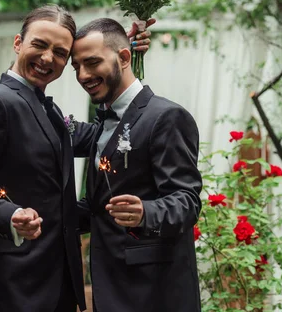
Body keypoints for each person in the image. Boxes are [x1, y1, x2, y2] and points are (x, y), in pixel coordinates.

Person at [0, 5, 152, 312]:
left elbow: (103, 136)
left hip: (58, 289)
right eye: (39, 45)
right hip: (13, 289)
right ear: (18, 43)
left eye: (59, 52)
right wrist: (9, 217)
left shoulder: (49, 111)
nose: (46, 58)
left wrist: (121, 60)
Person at [71, 18, 203, 312]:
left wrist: (146, 212)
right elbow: (98, 206)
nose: (83, 74)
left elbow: (187, 202)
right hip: (111, 287)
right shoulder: (102, 121)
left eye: (92, 63)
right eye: (76, 66)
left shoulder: (166, 117)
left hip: (154, 292)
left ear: (124, 57)